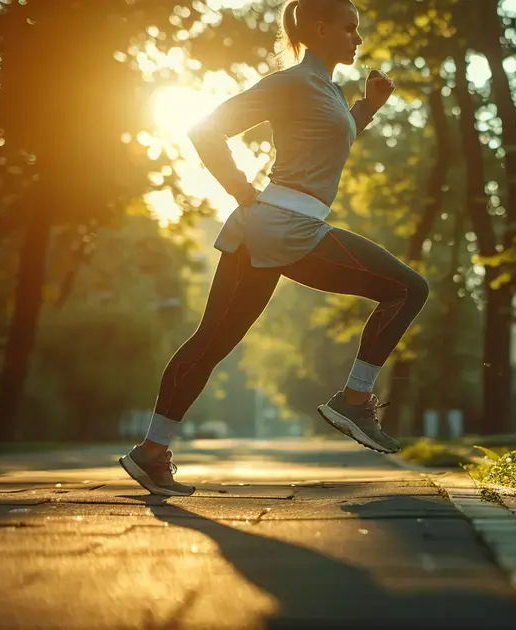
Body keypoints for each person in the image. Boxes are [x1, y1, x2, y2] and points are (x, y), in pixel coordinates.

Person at [119, 0, 429, 496]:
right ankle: (354, 398)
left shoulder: (327, 89)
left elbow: (330, 143)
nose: (358, 37)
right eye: (349, 28)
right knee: (407, 288)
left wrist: (368, 107)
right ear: (320, 29)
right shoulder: (290, 82)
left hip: (286, 227)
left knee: (212, 342)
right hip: (280, 225)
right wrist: (241, 188)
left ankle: (151, 452)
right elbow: (205, 128)